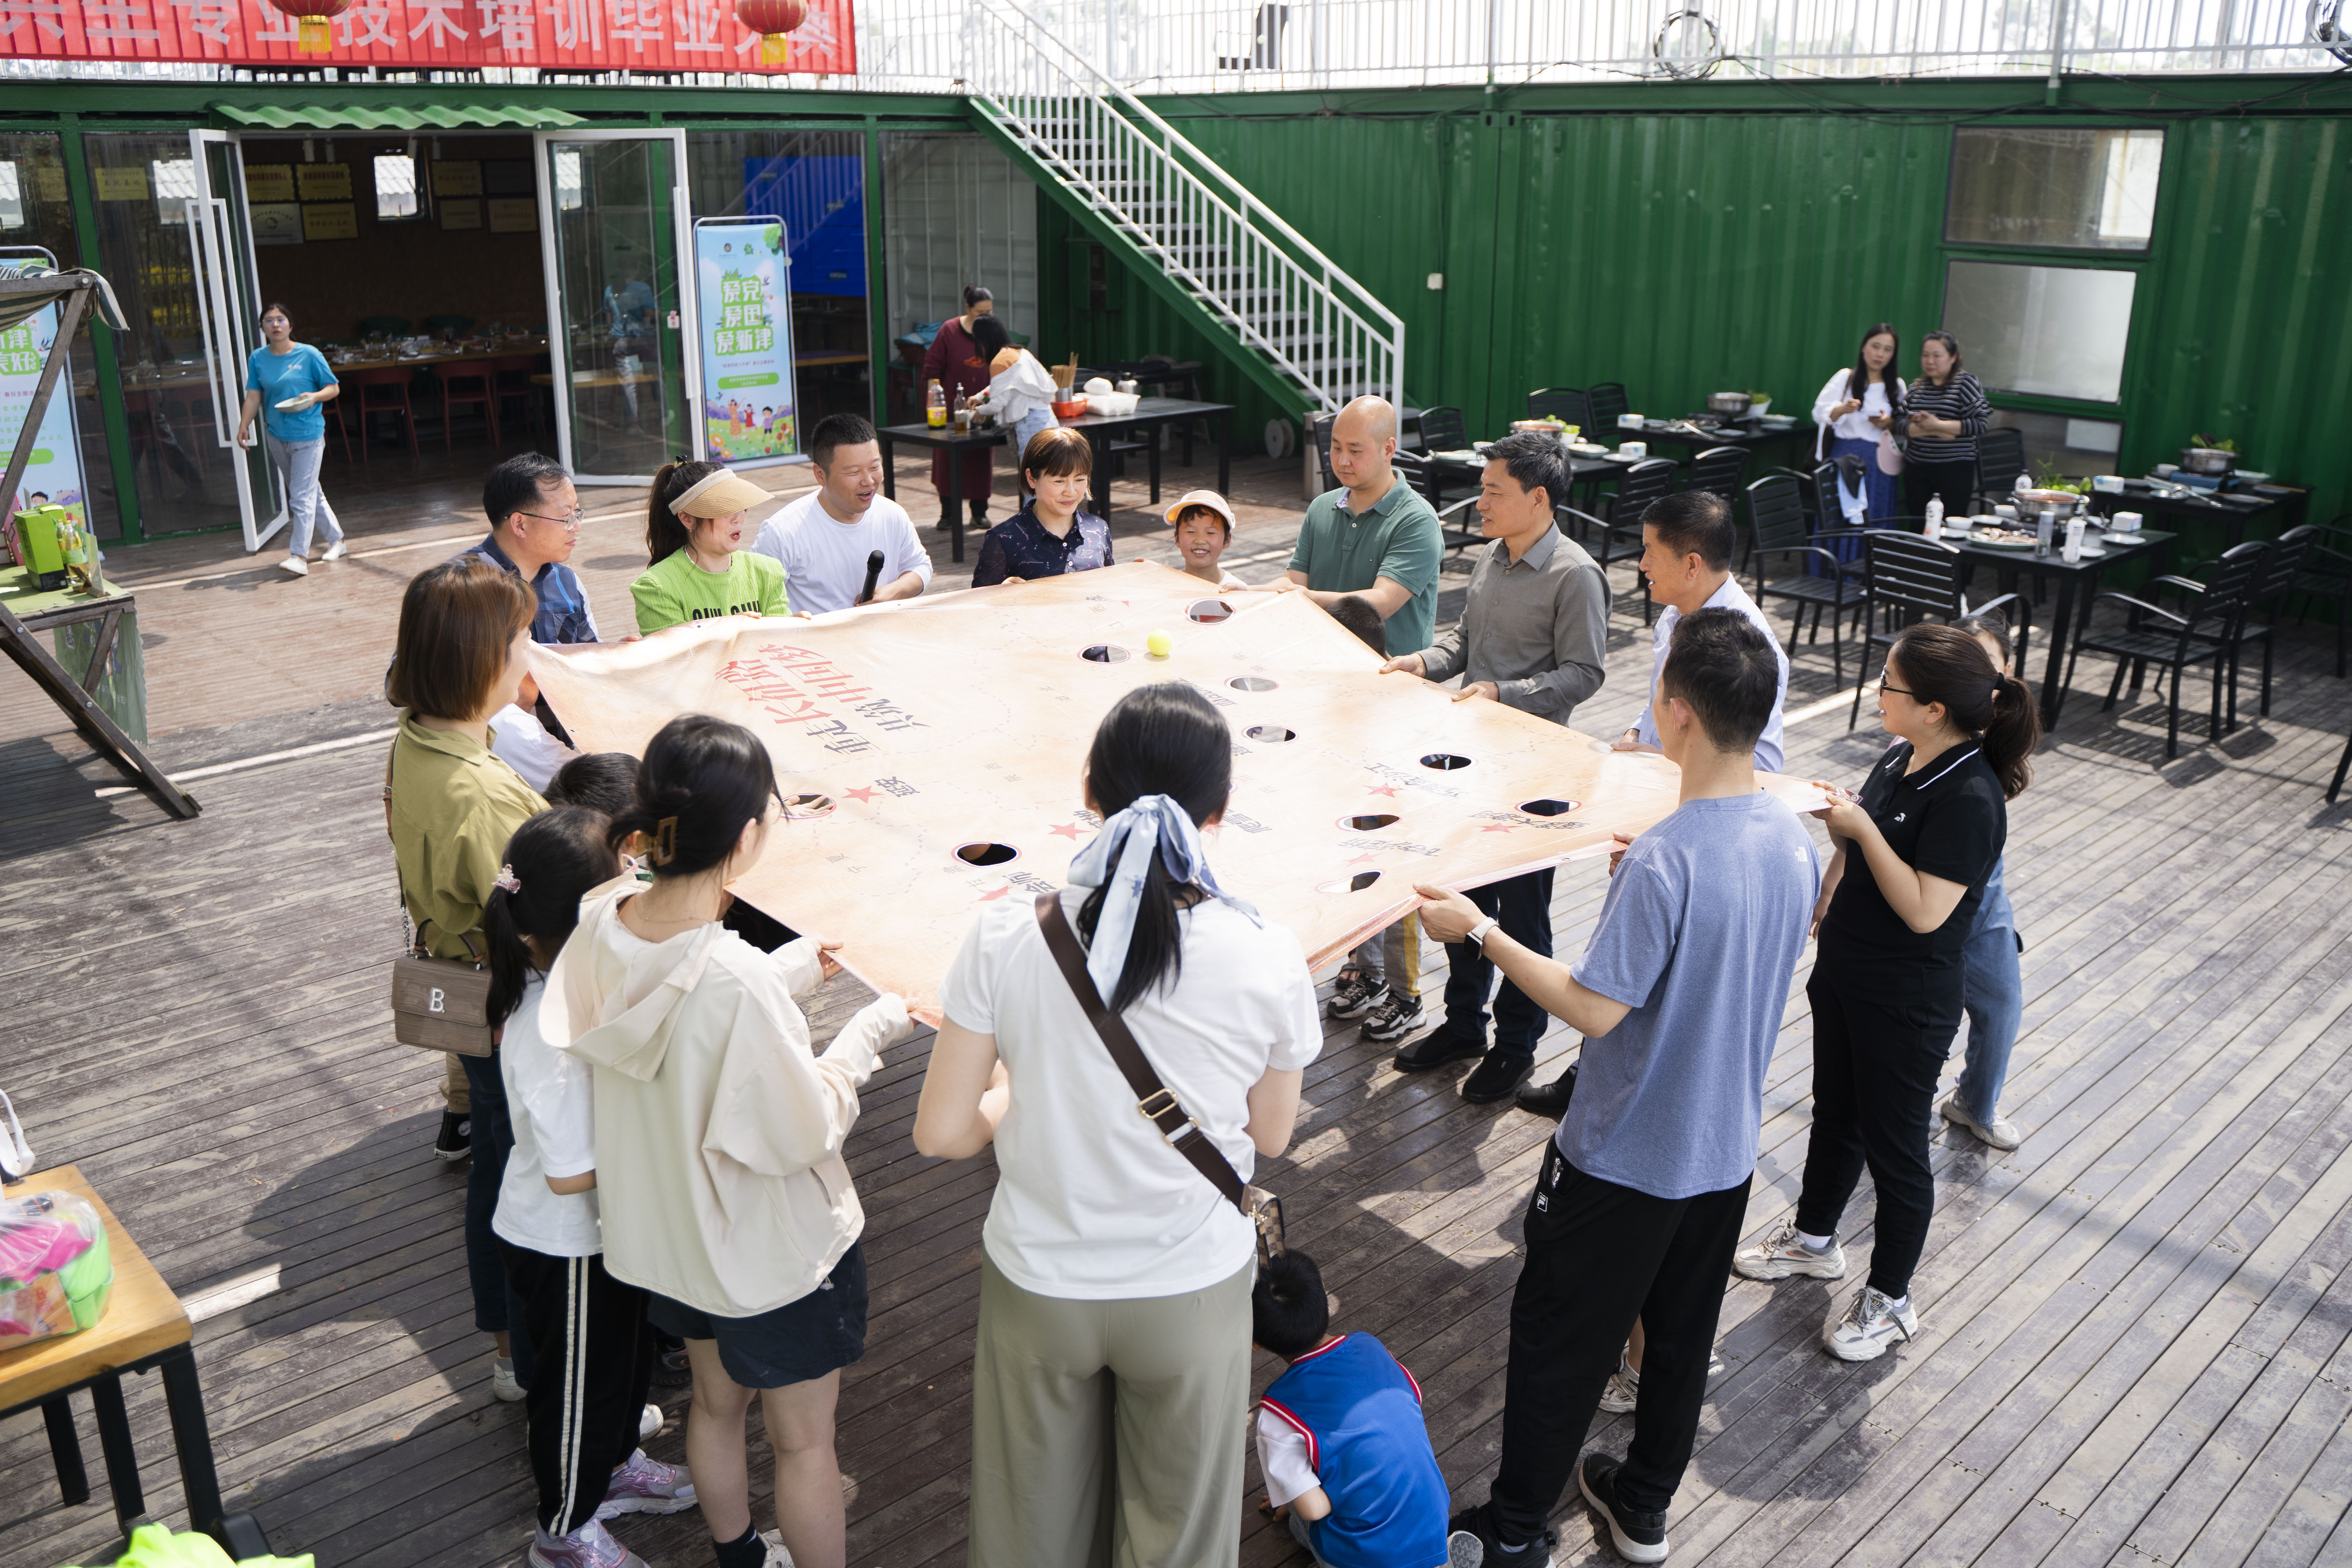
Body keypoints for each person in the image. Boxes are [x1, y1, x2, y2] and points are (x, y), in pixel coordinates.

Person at [1425, 609, 1819, 1568]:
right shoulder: (1794, 836)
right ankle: (1642, 1508)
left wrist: (1480, 930)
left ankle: (1516, 1527)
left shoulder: (1665, 856)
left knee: (1560, 1339)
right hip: (1722, 1152)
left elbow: (1594, 1009)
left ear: (1676, 710)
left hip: (1622, 1159)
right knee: (1678, 1343)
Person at [912, 682, 1321, 1568]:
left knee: (1030, 1539)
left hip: (1039, 1285)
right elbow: (1272, 1134)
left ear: (1090, 790)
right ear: (1219, 808)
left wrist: (1013, 1089)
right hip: (1191, 1288)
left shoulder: (1003, 935)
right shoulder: (1267, 951)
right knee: (1177, 1543)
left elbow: (942, 1133)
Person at [548, 715, 911, 1568]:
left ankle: (741, 1555)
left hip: (671, 1238)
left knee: (715, 1408)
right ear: (746, 836)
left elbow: (675, 1005)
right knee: (805, 1443)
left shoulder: (601, 915)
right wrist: (872, 1029)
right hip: (769, 1257)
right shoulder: (737, 979)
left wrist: (790, 970)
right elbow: (803, 1129)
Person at [1733, 622, 2040, 1362]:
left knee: (1897, 1150)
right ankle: (1814, 1239)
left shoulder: (1971, 795)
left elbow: (1927, 911)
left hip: (1906, 1000)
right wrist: (1841, 845)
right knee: (1835, 1113)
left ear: (1934, 708)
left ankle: (1893, 1298)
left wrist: (1863, 832)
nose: (1877, 693)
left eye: (1889, 685)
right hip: (1848, 975)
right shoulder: (1902, 755)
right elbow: (1867, 846)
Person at [486, 807, 698, 1568]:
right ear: (588, 917)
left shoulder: (567, 986)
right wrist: (668, 1151)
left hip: (600, 1234)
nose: (639, 892)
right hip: (566, 1243)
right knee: (577, 1392)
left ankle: (612, 1469)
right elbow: (571, 1171)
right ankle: (564, 1531)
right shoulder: (550, 1027)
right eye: (625, 885)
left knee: (618, 1368)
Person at [1377, 432, 1609, 1104]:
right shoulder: (1490, 556)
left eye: (1492, 491)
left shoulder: (1575, 574)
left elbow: (1585, 673)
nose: (1479, 503)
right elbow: (1463, 642)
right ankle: (1463, 1027)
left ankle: (1515, 1049)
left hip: (1536, 777)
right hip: (1471, 764)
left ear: (1538, 499)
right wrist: (1421, 662)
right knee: (1465, 904)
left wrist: (1503, 693)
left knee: (1524, 920)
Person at [384, 556, 548, 1403]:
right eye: (521, 640)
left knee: (494, 1163)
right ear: (484, 658)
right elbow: (537, 922)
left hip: (461, 988)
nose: (531, 654)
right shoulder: (481, 792)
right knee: (529, 1180)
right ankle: (538, 1358)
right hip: (509, 1006)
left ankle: (508, 1351)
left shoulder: (416, 738)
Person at [1252, 1250, 1452, 1568]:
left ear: (1254, 1341)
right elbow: (1409, 1405)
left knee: (1299, 1520)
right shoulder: (1371, 1347)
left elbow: (1314, 1510)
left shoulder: (1278, 1410)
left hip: (1368, 1557)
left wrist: (1293, 1493)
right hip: (1432, 1531)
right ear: (1324, 1291)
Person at [462, 452, 601, 798]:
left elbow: (588, 663)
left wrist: (618, 659)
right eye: (565, 517)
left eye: (578, 514)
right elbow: (401, 682)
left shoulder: (566, 582)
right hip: (484, 766)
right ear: (520, 524)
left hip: (562, 748)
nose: (576, 527)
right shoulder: (459, 586)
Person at [1942, 613, 2028, 1151]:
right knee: (1927, 1017)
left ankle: (1975, 1103)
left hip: (1986, 894)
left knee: (2002, 1006)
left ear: (2007, 672)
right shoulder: (1927, 727)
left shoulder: (2005, 728)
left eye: (1987, 664)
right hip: (1934, 897)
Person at [1280, 396, 1443, 660]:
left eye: (1355, 451)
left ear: (1389, 449)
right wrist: (1243, 592)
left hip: (1389, 671)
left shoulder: (1417, 520)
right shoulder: (1321, 507)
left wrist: (1307, 597)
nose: (1343, 461)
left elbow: (1382, 602)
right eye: (1336, 448)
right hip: (1318, 659)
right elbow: (1294, 582)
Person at [751, 414, 932, 614]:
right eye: (854, 472)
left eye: (875, 467)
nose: (869, 481)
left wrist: (893, 592)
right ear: (820, 475)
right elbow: (753, 599)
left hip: (880, 631)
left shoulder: (892, 514)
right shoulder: (782, 532)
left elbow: (920, 566)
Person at [235, 302, 343, 578]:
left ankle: (299, 556)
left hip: (308, 435)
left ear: (290, 325)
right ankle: (337, 540)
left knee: (301, 495)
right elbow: (254, 396)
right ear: (262, 327)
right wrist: (244, 424)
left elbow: (333, 388)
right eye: (269, 320)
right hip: (277, 435)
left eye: (281, 319)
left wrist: (315, 397)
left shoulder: (310, 354)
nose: (276, 324)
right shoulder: (258, 358)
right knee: (309, 492)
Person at [632, 461, 789, 635]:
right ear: (687, 519)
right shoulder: (657, 586)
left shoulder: (768, 571)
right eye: (725, 508)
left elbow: (780, 642)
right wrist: (729, 630)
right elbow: (673, 651)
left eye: (741, 506)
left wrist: (798, 631)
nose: (738, 518)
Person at [969, 428, 1114, 589]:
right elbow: (979, 601)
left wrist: (1133, 574)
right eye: (1059, 481)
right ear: (1031, 478)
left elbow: (1111, 590)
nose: (1071, 492)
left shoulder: (1098, 528)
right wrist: (1001, 594)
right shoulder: (1004, 539)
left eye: (1080, 480)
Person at [919, 285, 998, 533]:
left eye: (989, 312)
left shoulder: (992, 331)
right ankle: (948, 514)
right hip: (952, 409)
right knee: (948, 461)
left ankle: (979, 513)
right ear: (967, 308)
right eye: (980, 312)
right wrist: (936, 401)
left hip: (983, 410)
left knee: (981, 459)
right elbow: (932, 369)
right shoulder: (949, 331)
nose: (985, 317)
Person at [1809, 323, 1906, 525]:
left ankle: (1869, 548)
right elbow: (1820, 413)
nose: (1880, 354)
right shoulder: (1846, 377)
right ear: (1864, 347)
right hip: (1844, 459)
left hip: (1879, 463)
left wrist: (1888, 423)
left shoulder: (1897, 385)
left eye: (1888, 350)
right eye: (1875, 346)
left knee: (1875, 513)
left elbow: (1903, 427)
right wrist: (1843, 409)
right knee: (1839, 514)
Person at [1898, 331, 1992, 521]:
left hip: (1954, 470)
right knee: (1918, 525)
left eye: (1937, 356)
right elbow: (1899, 422)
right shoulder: (1917, 387)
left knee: (1950, 526)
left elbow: (1981, 424)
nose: (1930, 361)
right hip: (1917, 469)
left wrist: (1939, 424)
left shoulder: (1965, 383)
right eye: (1925, 355)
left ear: (1953, 357)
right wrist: (1933, 429)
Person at [972, 314, 1059, 481]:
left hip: (1029, 424)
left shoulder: (999, 362)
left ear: (983, 339)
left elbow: (997, 405)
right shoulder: (1022, 353)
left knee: (1033, 482)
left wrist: (980, 412)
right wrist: (980, 396)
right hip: (1048, 418)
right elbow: (1011, 385)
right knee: (1051, 479)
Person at [1165, 489, 1247, 590]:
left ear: (1227, 540)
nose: (1200, 540)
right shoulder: (1166, 588)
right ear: (1177, 538)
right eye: (1191, 532)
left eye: (1211, 533)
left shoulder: (1239, 591)